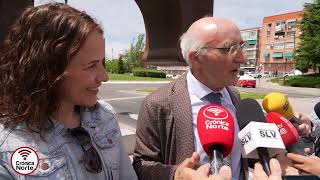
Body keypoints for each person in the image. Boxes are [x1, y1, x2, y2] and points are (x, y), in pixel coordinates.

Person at [0, 3, 137, 179]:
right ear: (49, 70)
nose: (104, 76)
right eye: (91, 66)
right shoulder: (7, 147)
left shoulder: (105, 118)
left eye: (102, 63)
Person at [133, 16, 247, 180]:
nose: (241, 58)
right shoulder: (157, 103)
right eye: (229, 49)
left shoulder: (235, 96)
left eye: (241, 47)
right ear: (196, 57)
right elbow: (141, 166)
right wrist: (175, 175)